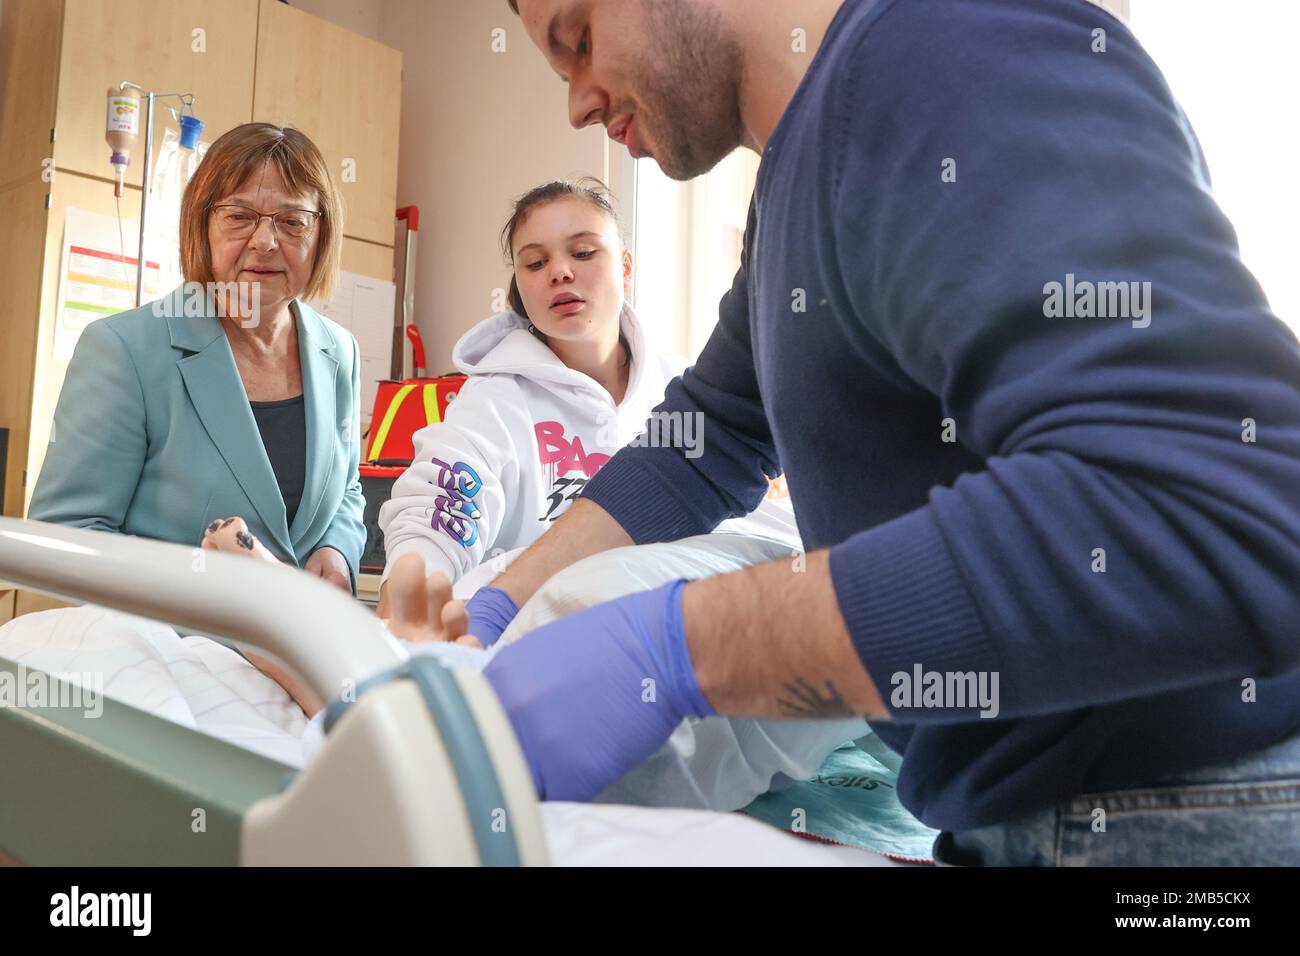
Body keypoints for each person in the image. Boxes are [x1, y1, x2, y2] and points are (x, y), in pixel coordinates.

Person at [418, 0, 1300, 865]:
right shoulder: (791, 193)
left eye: (577, 42)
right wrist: (492, 613)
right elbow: (706, 440)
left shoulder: (949, 45)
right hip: (1022, 806)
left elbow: (1204, 504)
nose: (573, 101)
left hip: (1190, 807)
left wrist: (680, 647)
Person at [376, 177, 797, 641]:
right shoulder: (495, 402)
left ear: (626, 265)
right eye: (535, 263)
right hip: (543, 641)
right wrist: (414, 584)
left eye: (582, 253)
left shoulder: (689, 391)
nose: (559, 272)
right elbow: (444, 498)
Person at [30, 123, 365, 595]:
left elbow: (347, 490)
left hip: (299, 654)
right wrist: (209, 602)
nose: (266, 241)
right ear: (201, 226)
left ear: (321, 235)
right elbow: (65, 538)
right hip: (168, 656)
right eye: (240, 216)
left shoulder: (339, 350)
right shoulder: (125, 350)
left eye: (292, 221)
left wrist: (337, 551)